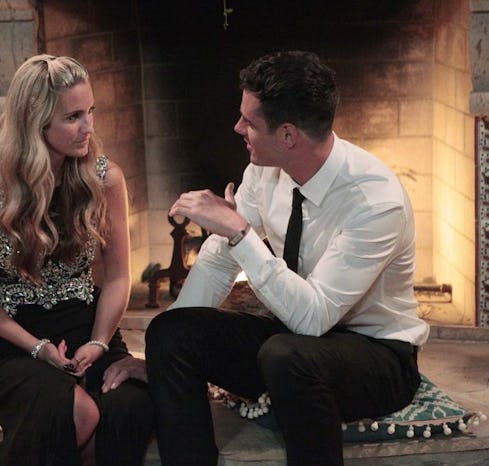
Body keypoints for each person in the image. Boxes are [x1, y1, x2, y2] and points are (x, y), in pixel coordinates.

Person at [144, 50, 430, 466]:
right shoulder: (264, 169)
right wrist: (154, 363)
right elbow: (220, 261)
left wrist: (240, 233)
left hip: (376, 355)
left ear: (288, 135)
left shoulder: (374, 201)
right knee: (170, 332)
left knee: (286, 356)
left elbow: (313, 319)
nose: (237, 127)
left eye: (249, 122)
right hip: (290, 338)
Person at [0, 54, 153, 466]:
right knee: (76, 413)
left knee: (128, 408)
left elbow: (118, 277)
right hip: (15, 344)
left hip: (90, 332)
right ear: (35, 122)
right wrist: (38, 347)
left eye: (90, 111)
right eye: (73, 117)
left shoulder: (104, 178)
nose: (88, 127)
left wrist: (99, 342)